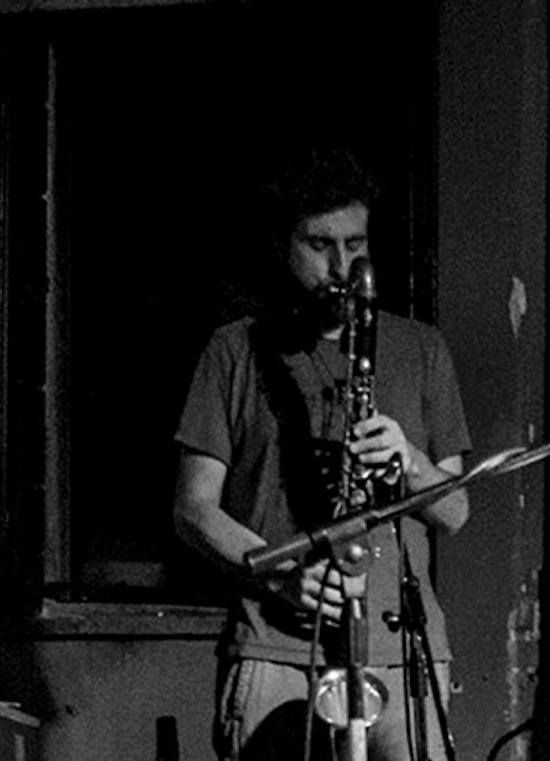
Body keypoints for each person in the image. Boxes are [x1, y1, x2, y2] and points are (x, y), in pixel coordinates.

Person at [172, 147, 475, 761]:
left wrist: (410, 461)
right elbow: (194, 509)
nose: (342, 267)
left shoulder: (421, 349)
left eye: (355, 245)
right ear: (283, 245)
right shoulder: (235, 349)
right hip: (275, 646)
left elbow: (455, 511)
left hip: (400, 652)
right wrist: (282, 574)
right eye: (319, 245)